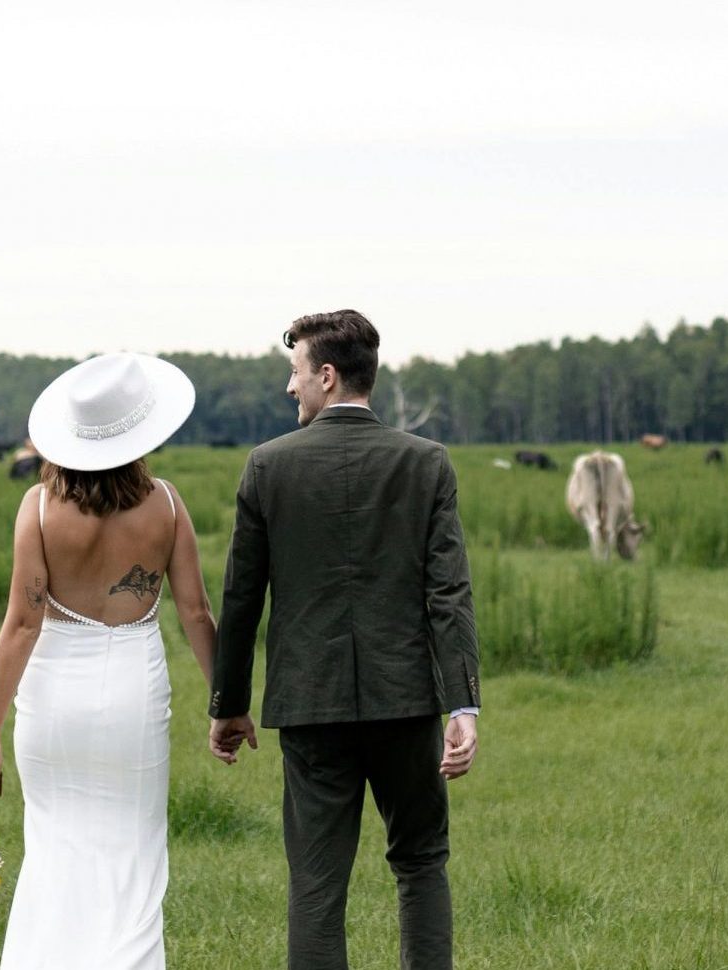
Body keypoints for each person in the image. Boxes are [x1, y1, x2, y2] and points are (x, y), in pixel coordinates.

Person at [209, 309, 481, 970]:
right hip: (406, 702)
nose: (289, 387)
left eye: (294, 372)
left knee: (316, 885)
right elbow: (447, 593)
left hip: (310, 705)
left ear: (326, 376)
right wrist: (462, 706)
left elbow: (242, 599)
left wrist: (228, 704)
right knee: (420, 864)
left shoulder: (267, 467)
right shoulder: (427, 464)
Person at [0, 352, 217, 970]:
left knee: (53, 850)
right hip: (134, 694)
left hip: (54, 701)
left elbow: (22, 624)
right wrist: (225, 704)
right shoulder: (168, 506)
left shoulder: (40, 508)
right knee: (132, 856)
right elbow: (195, 614)